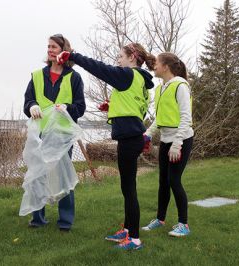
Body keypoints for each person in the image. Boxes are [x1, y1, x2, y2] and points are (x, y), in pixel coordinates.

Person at [57, 43, 155, 250]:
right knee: (127, 187)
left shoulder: (127, 74)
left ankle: (134, 239)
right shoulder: (141, 81)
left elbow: (98, 67)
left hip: (129, 139)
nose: (117, 61)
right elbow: (136, 108)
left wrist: (73, 56)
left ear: (133, 56)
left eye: (120, 56)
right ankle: (128, 229)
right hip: (132, 137)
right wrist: (111, 107)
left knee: (129, 190)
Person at [23, 34, 86, 231]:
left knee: (63, 176)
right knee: (38, 174)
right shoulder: (36, 76)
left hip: (62, 135)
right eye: (48, 46)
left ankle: (65, 221)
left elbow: (80, 107)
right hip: (41, 135)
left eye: (54, 47)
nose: (50, 50)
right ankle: (37, 218)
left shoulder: (74, 78)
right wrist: (32, 106)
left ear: (63, 51)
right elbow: (28, 101)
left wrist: (67, 107)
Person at [141, 52, 193, 237]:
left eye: (157, 63)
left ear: (166, 66)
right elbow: (160, 118)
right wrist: (147, 134)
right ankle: (160, 219)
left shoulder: (180, 85)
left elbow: (186, 117)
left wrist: (177, 144)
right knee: (163, 181)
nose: (154, 66)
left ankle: (183, 224)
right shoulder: (161, 87)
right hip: (165, 140)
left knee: (174, 180)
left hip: (181, 140)